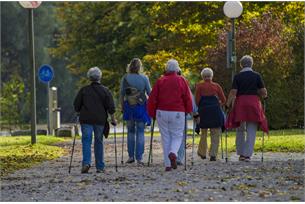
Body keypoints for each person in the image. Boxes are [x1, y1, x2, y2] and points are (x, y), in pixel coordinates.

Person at [147, 59, 193, 171]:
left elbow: (152, 98)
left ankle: (167, 165)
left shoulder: (160, 81)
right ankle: (173, 152)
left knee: (165, 137)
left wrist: (152, 113)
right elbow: (187, 97)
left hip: (162, 112)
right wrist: (189, 110)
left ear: (166, 69)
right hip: (177, 111)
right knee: (177, 135)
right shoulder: (182, 80)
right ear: (177, 69)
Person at [74, 67, 116, 173]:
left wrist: (79, 111)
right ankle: (100, 166)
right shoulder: (105, 90)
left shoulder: (84, 90)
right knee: (98, 142)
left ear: (89, 77)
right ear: (100, 77)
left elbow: (76, 105)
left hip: (86, 119)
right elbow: (111, 107)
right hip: (100, 120)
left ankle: (86, 163)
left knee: (86, 141)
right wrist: (113, 119)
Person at [225, 55, 268, 162]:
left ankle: (241, 153)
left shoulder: (237, 76)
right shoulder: (257, 76)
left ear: (241, 65)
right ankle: (247, 154)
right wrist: (265, 97)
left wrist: (227, 104)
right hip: (253, 103)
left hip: (241, 103)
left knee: (240, 129)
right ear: (251, 64)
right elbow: (263, 91)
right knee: (251, 130)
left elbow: (233, 92)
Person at [120, 58, 151, 166]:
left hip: (129, 106)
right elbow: (149, 93)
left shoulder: (125, 78)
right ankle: (139, 157)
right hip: (141, 106)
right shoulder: (144, 78)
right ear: (140, 67)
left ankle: (130, 156)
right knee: (140, 132)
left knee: (130, 131)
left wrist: (122, 107)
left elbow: (122, 94)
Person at [195, 68, 226, 161]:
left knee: (203, 133)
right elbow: (223, 99)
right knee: (215, 133)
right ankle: (213, 154)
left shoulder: (199, 86)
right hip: (215, 111)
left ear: (202, 76)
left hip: (204, 112)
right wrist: (218, 104)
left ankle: (202, 153)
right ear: (211, 76)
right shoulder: (216, 86)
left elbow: (197, 101)